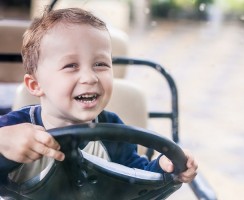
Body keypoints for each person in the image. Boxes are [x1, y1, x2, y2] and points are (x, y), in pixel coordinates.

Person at [0, 7, 197, 185]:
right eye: (71, 66)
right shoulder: (14, 129)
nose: (90, 77)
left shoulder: (113, 131)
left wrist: (164, 168)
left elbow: (136, 176)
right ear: (35, 85)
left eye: (100, 64)